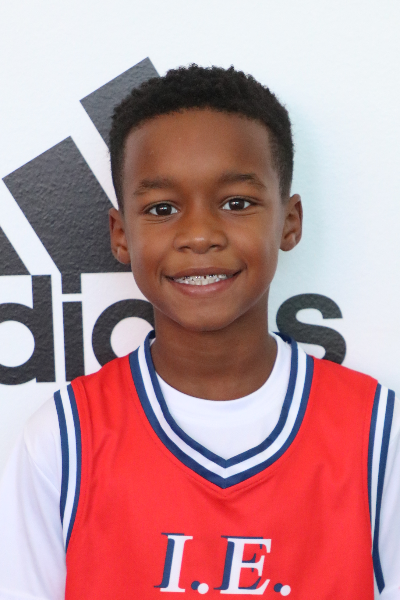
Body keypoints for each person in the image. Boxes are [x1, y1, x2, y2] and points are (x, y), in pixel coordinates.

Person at [0, 65, 399, 600]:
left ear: (289, 221)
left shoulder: (378, 435)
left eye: (236, 203)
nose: (199, 235)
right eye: (162, 209)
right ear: (121, 235)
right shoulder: (63, 440)